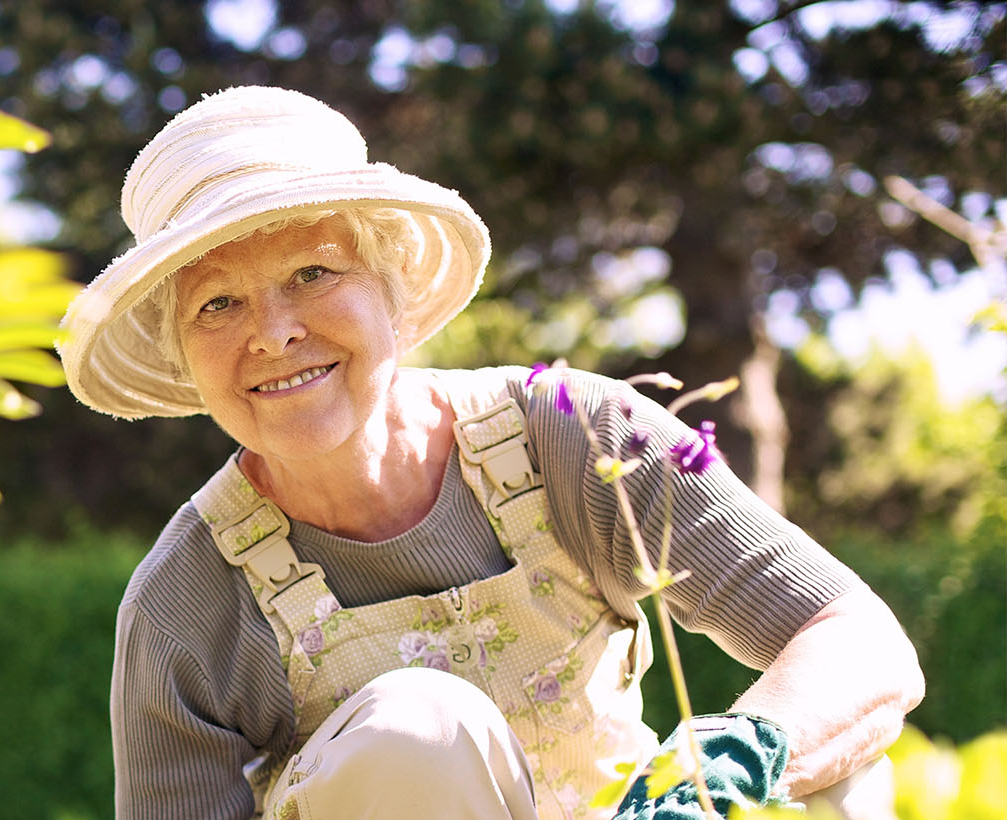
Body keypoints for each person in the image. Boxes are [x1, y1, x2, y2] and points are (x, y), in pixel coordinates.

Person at [57, 86, 923, 820]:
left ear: (392, 286)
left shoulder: (570, 432)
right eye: (217, 305)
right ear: (181, 352)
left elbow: (858, 641)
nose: (275, 333)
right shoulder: (188, 604)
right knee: (415, 727)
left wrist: (723, 765)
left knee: (831, 759)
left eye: (313, 275)